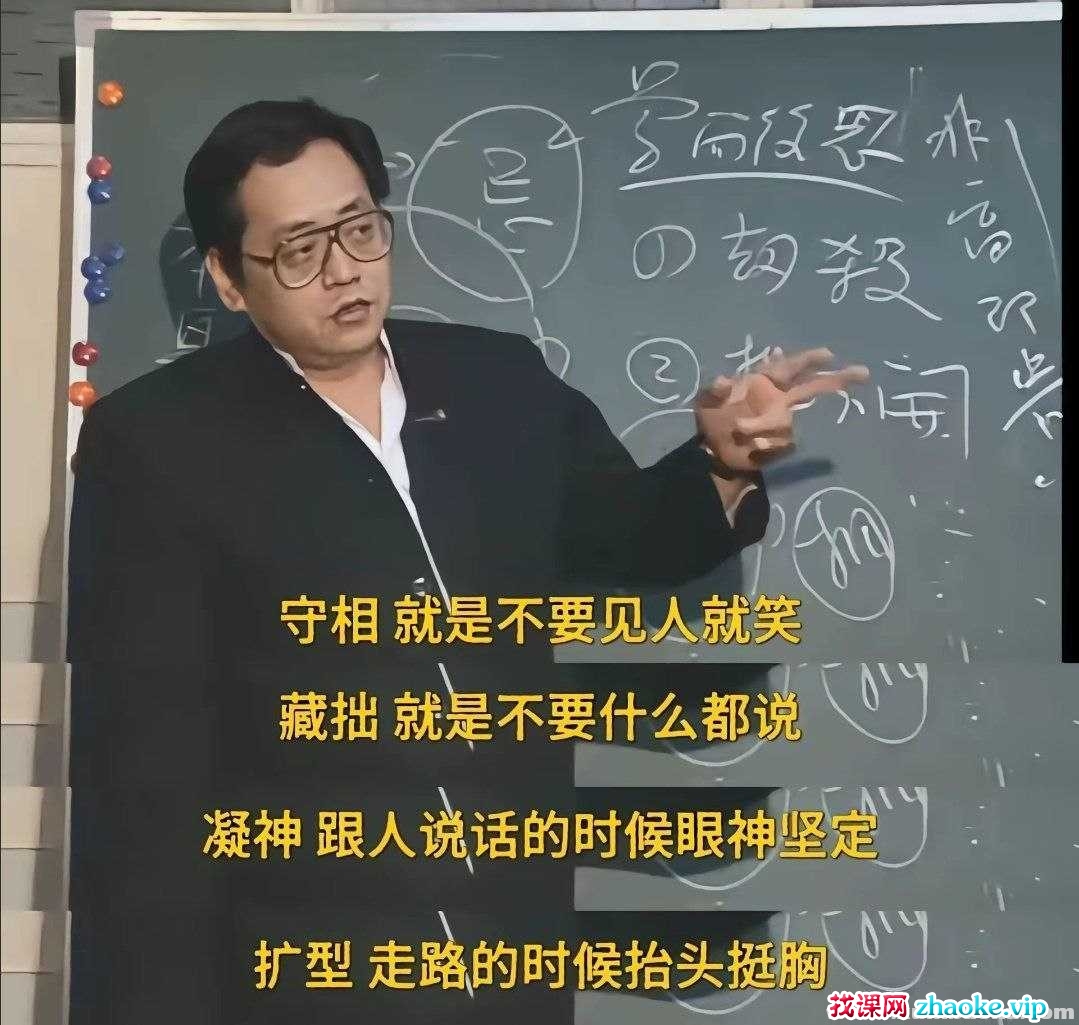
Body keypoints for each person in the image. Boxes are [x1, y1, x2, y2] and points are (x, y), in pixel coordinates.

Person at [66, 99, 868, 1023]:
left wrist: (723, 462)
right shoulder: (156, 444)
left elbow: (635, 536)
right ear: (228, 277)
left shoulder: (498, 380)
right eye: (298, 250)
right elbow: (144, 777)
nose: (344, 270)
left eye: (359, 229)